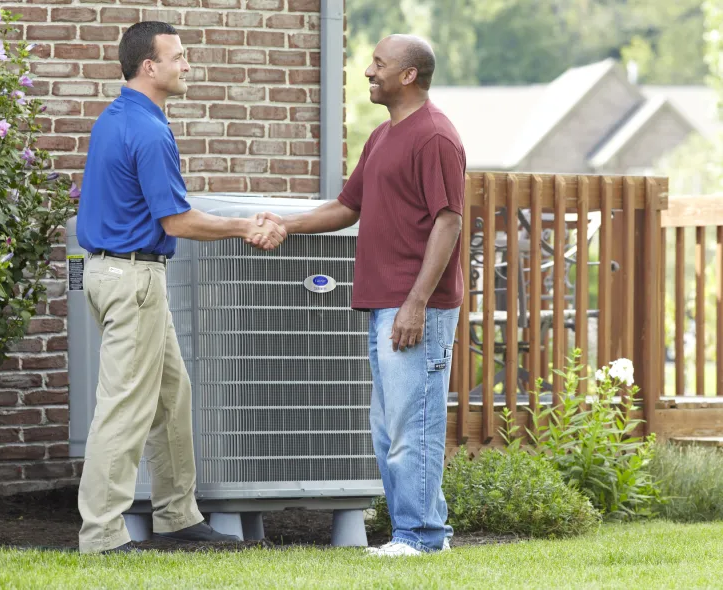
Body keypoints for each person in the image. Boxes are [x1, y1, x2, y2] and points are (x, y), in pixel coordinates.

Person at [75, 21, 287, 554]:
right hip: (135, 279)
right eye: (179, 57)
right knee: (125, 406)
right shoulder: (148, 130)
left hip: (116, 274)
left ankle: (176, 516)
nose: (187, 65)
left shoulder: (116, 118)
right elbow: (177, 221)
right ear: (150, 66)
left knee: (172, 397)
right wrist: (244, 226)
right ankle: (101, 534)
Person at [253, 34, 465, 557]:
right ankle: (416, 531)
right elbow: (349, 208)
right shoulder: (383, 136)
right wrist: (287, 224)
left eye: (379, 64)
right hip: (383, 302)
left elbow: (449, 220)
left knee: (412, 424)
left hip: (417, 306)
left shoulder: (434, 135)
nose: (369, 72)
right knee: (389, 428)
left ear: (409, 75)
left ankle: (419, 537)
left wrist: (417, 301)